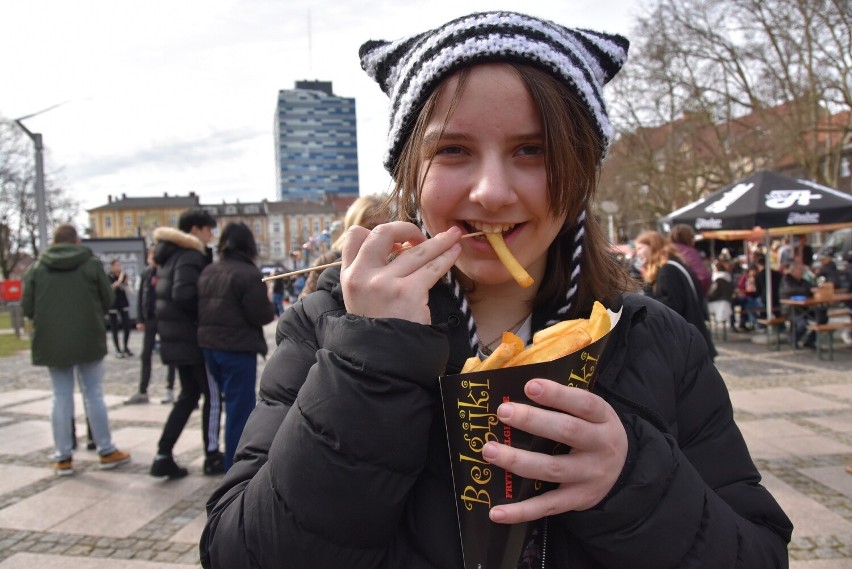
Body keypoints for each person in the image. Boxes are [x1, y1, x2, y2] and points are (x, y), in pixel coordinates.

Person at [201, 12, 791, 568]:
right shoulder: (328, 322)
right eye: (453, 150)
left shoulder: (653, 338)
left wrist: (633, 479)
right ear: (411, 173)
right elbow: (239, 554)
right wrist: (369, 361)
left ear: (581, 170)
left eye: (531, 151)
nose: (491, 191)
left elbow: (760, 553)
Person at [21, 224, 131, 476]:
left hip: (52, 341)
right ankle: (105, 450)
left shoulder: (37, 268)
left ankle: (63, 456)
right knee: (93, 393)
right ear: (76, 241)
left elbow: (27, 306)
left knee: (60, 395)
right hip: (88, 337)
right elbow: (108, 299)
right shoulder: (90, 264)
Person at [150, 208, 223, 479]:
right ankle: (213, 455)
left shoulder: (170, 255)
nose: (211, 235)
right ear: (195, 229)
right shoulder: (191, 255)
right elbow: (184, 294)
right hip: (193, 340)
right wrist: (207, 314)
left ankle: (162, 453)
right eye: (208, 230)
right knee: (212, 397)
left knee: (188, 396)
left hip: (176, 340)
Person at [198, 222, 275, 471]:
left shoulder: (209, 270)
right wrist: (269, 298)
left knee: (215, 402)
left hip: (209, 346)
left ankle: (213, 453)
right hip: (238, 349)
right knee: (239, 408)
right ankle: (235, 463)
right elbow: (261, 315)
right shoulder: (248, 273)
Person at [635, 230, 717, 360]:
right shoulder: (675, 263)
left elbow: (669, 307)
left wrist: (646, 293)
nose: (638, 253)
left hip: (687, 344)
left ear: (652, 246)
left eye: (640, 248)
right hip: (694, 338)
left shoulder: (668, 270)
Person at [298, 194, 390, 299]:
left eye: (385, 227)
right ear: (353, 226)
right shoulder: (327, 262)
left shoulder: (391, 260)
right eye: (371, 227)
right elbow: (304, 307)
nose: (380, 234)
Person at [125, 247, 176, 405]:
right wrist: (140, 319)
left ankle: (170, 389)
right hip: (150, 318)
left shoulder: (167, 272)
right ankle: (142, 390)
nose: (151, 258)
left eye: (153, 255)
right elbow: (141, 297)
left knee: (170, 355)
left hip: (165, 319)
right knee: (145, 354)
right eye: (149, 256)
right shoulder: (146, 274)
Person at [779, 261, 822, 349]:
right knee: (801, 323)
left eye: (802, 271)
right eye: (800, 270)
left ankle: (810, 340)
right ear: (793, 271)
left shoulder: (803, 281)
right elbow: (791, 290)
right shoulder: (786, 279)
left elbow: (811, 287)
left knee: (822, 317)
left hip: (804, 307)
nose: (802, 272)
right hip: (790, 308)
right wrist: (808, 290)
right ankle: (793, 339)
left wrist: (815, 288)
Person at [668, 224, 711, 295]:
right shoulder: (688, 252)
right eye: (692, 237)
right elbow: (704, 277)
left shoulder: (666, 252)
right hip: (688, 295)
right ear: (688, 237)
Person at [107, 259, 133, 358]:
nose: (118, 268)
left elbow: (129, 291)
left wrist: (125, 284)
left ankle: (126, 347)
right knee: (114, 327)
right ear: (112, 267)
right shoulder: (108, 276)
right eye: (116, 266)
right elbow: (107, 289)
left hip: (123, 302)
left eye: (119, 265)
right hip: (113, 303)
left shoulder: (123, 275)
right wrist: (114, 285)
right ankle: (117, 349)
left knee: (127, 325)